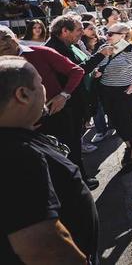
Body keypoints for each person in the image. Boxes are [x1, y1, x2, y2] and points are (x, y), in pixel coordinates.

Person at [0, 57, 99, 264]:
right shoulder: (15, 155)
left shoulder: (18, 138)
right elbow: (43, 247)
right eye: (40, 83)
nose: (45, 89)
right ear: (23, 94)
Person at [45, 15, 116, 189]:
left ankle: (79, 179)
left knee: (74, 144)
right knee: (72, 147)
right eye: (78, 30)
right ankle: (79, 182)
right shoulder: (55, 49)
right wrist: (99, 56)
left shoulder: (67, 45)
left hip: (75, 103)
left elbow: (81, 65)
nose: (81, 33)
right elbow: (78, 71)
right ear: (64, 31)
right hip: (67, 107)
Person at [94, 22, 132, 172]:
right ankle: (128, 146)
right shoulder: (104, 49)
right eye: (106, 32)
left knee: (128, 124)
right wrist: (98, 71)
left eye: (110, 34)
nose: (106, 36)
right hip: (106, 91)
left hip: (125, 92)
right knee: (115, 123)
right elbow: (98, 65)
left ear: (123, 36)